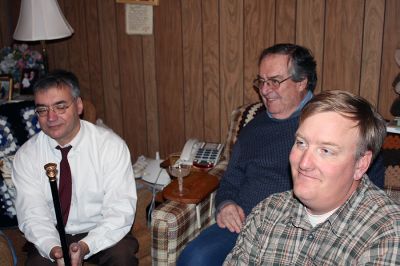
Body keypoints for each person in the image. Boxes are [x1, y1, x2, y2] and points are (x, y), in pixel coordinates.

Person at [177, 44, 385, 265]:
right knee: (194, 258)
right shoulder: (252, 126)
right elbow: (231, 177)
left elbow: (368, 189)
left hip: (303, 229)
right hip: (242, 223)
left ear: (302, 82)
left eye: (274, 81)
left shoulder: (333, 122)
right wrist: (226, 203)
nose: (265, 90)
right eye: (261, 82)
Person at [224, 90, 400, 264]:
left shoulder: (387, 233)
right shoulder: (266, 213)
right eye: (301, 143)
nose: (304, 163)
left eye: (325, 151)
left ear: (360, 164)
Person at [12, 70, 139, 265]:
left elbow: (119, 210)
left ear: (78, 105)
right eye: (42, 110)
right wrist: (54, 249)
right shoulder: (26, 156)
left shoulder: (110, 147)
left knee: (122, 258)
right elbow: (33, 214)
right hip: (52, 232)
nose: (51, 117)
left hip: (101, 230)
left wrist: (86, 246)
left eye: (60, 107)